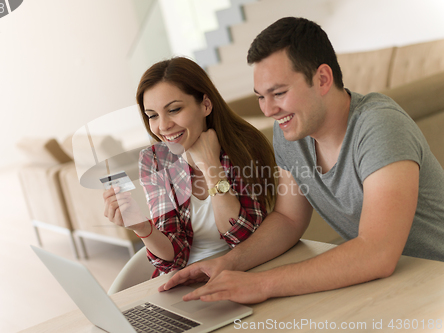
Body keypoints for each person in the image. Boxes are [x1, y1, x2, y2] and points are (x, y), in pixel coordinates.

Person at [160, 17, 444, 304]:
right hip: (397, 287)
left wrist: (261, 284)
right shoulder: (291, 133)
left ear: (322, 79)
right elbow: (288, 219)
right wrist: (228, 264)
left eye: (279, 93)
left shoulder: (380, 125)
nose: (269, 110)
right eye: (261, 97)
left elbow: (377, 253)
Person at [103, 57, 277, 277]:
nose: (163, 126)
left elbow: (242, 236)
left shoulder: (244, 146)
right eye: (152, 116)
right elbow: (174, 257)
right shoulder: (155, 160)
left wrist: (211, 166)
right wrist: (140, 226)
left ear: (205, 104)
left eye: (174, 110)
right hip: (183, 278)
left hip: (243, 271)